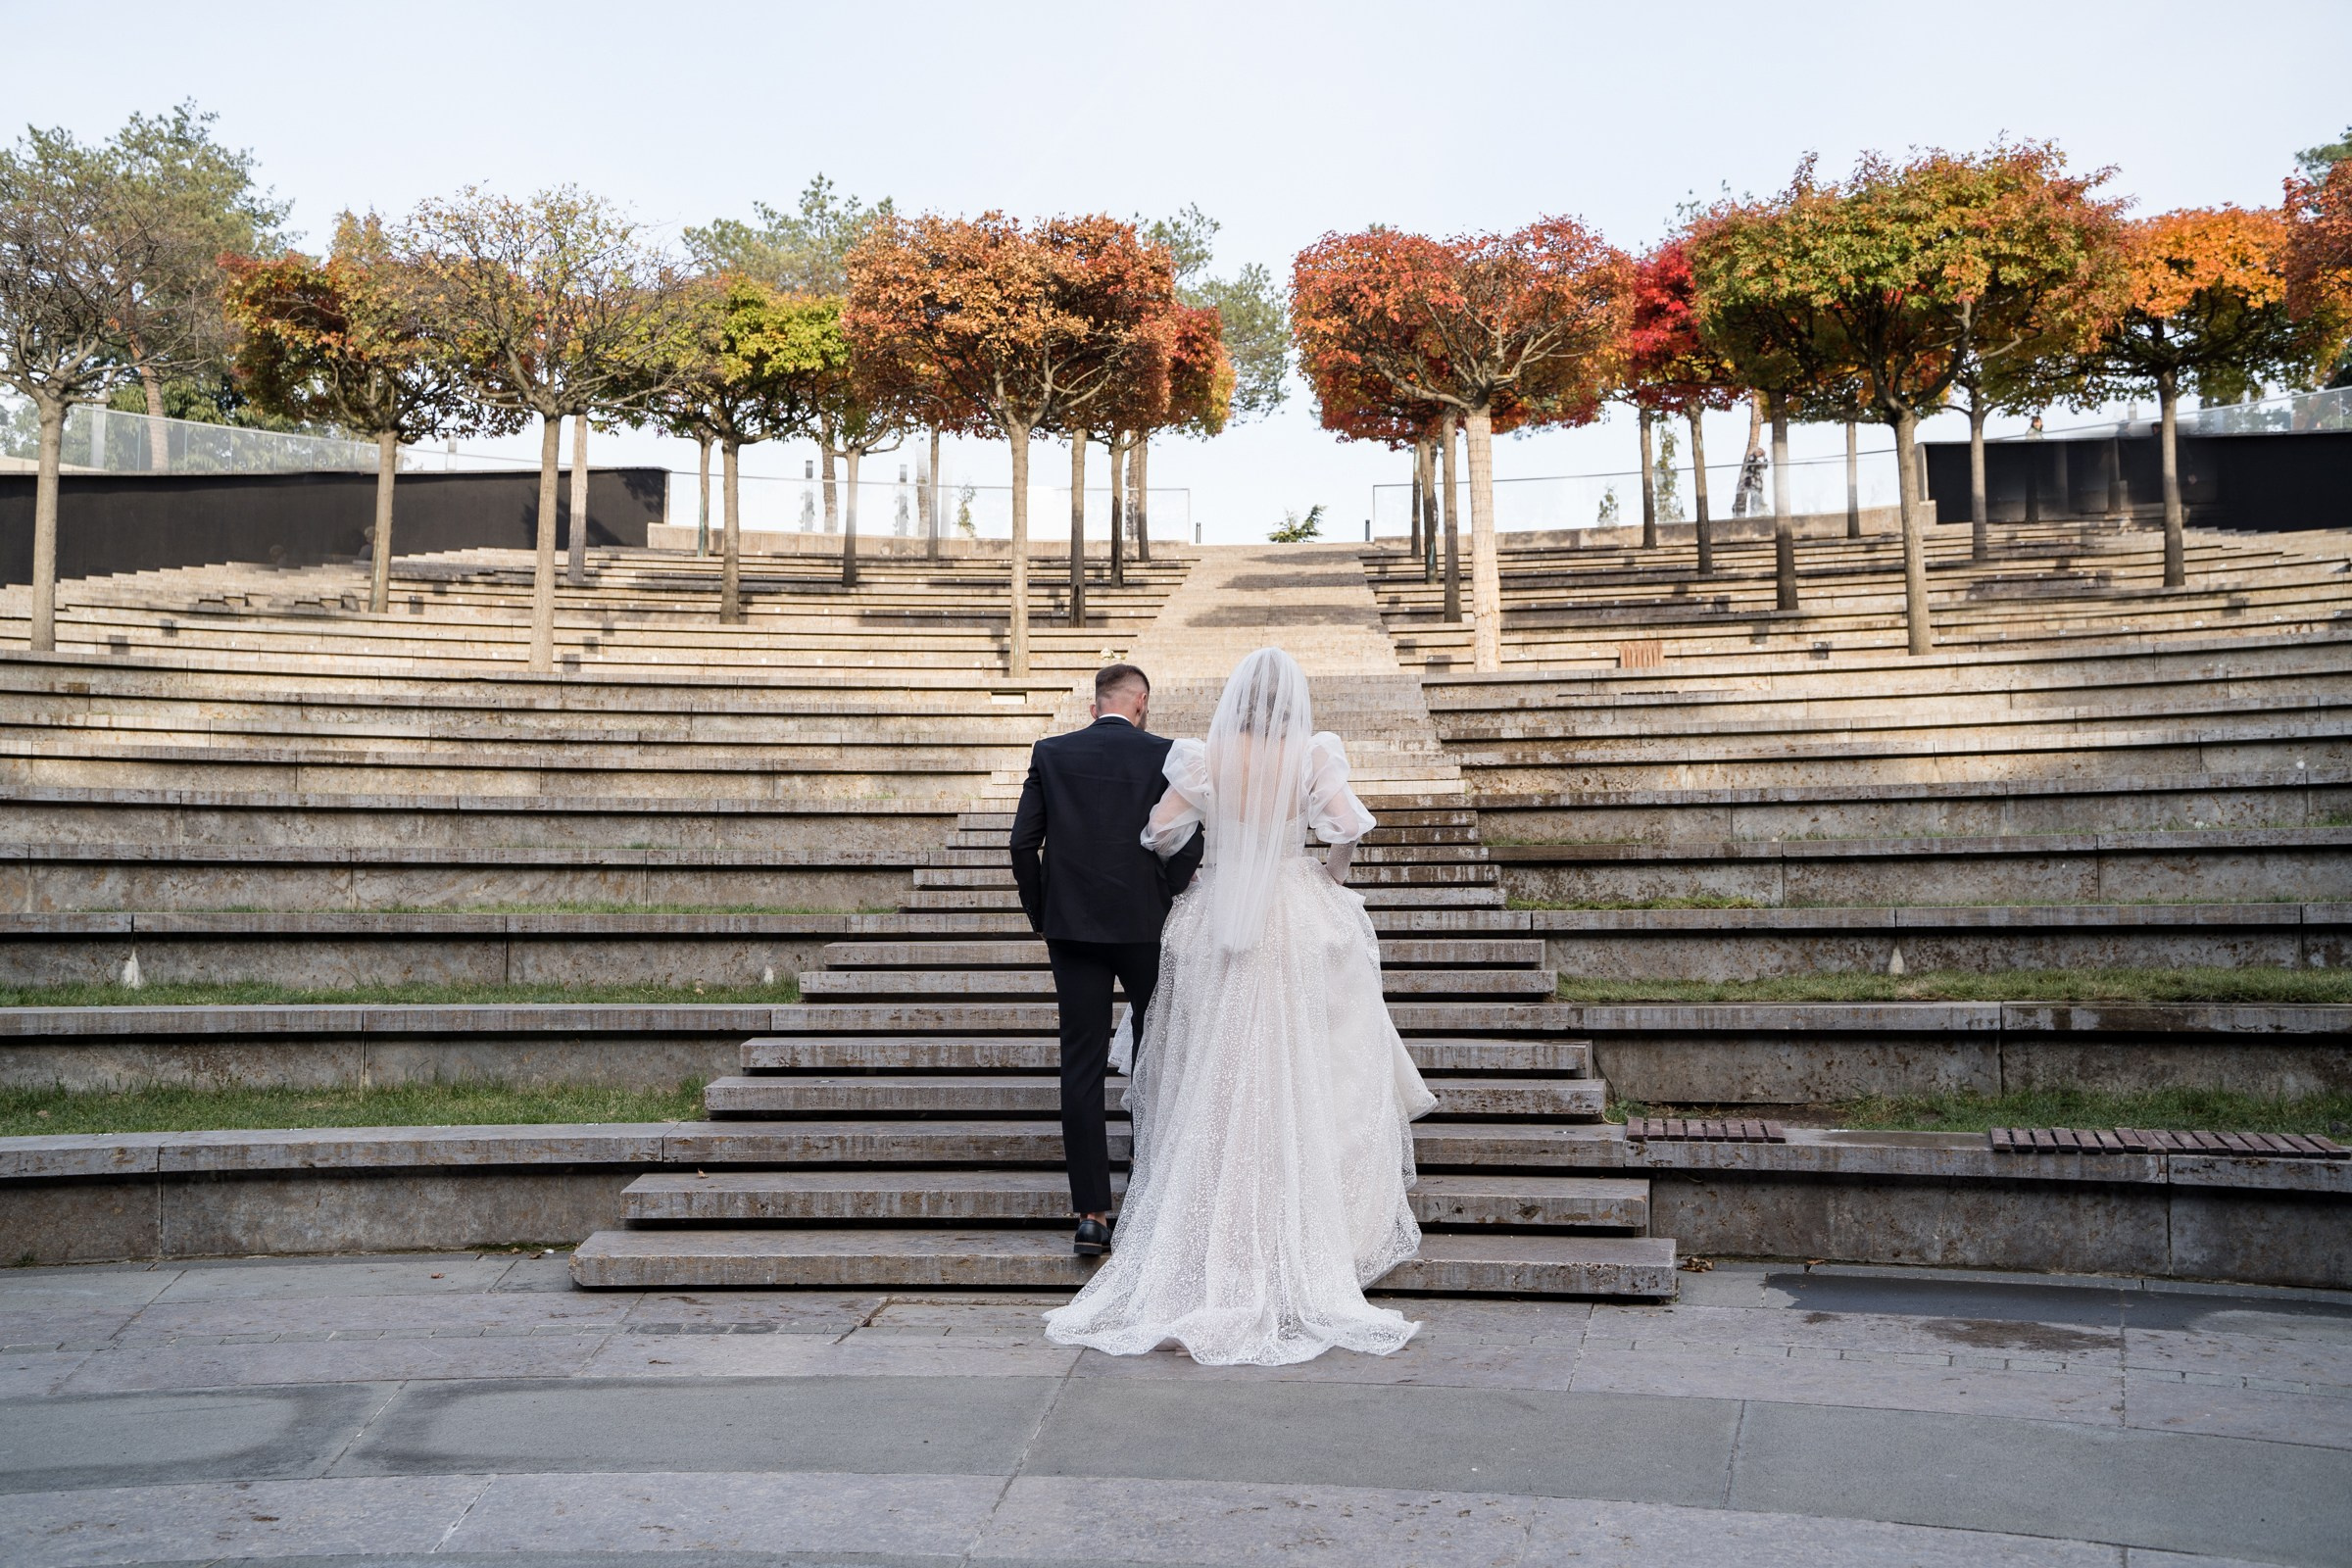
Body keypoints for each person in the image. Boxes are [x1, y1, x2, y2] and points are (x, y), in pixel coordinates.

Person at [1043, 647, 1438, 1367]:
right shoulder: (1312, 753)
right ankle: (1304, 1222)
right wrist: (1330, 875)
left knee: (1214, 1069)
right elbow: (1346, 826)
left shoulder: (1207, 757)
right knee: (1300, 1061)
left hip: (1217, 913)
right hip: (1291, 909)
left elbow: (1160, 831)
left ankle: (1208, 1228)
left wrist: (1201, 872)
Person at [1008, 663, 1203, 1257]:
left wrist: (1044, 913)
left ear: (1096, 706)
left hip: (1072, 928)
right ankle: (1145, 1192)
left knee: (1081, 1063)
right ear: (1140, 702)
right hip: (1146, 925)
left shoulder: (1050, 752)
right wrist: (1169, 891)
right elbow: (1188, 838)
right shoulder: (1165, 753)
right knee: (1155, 1052)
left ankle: (1091, 1214)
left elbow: (1022, 842)